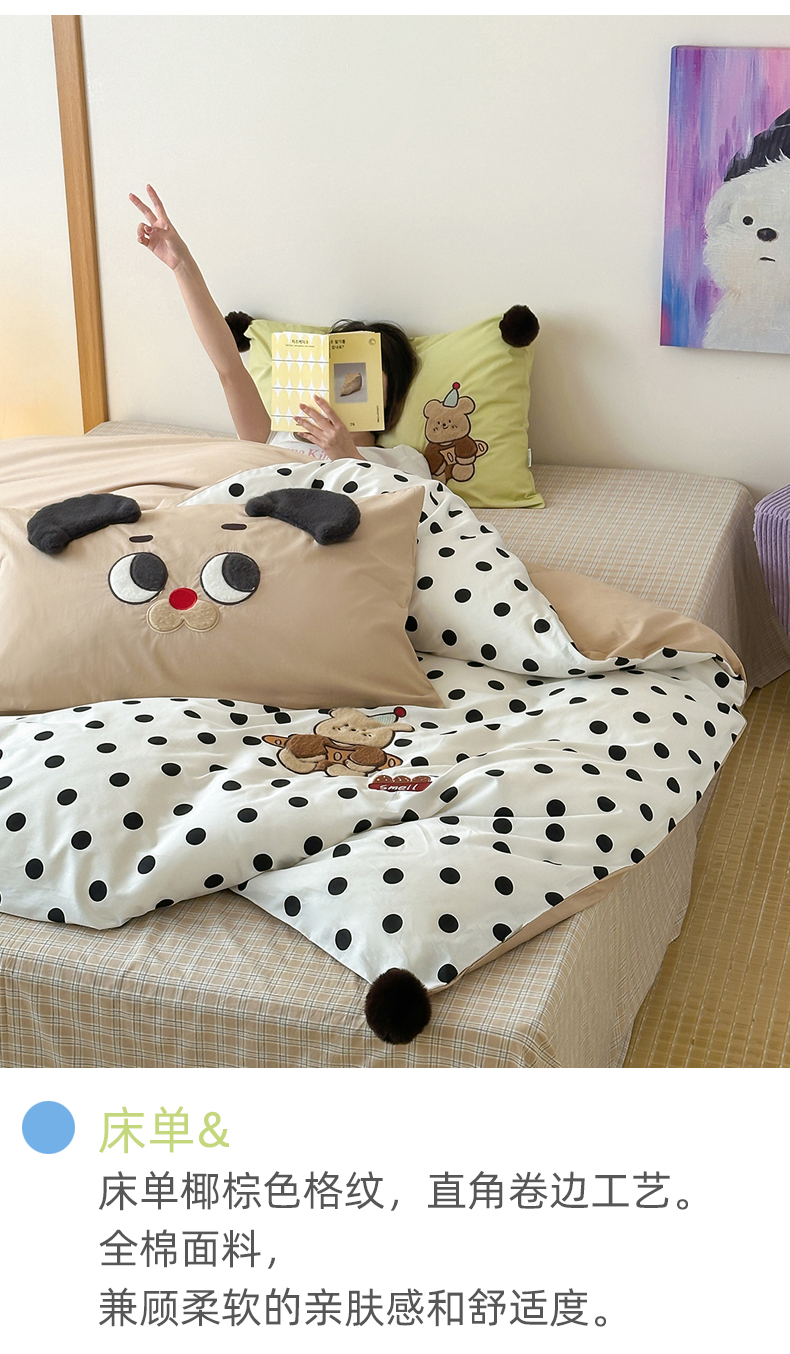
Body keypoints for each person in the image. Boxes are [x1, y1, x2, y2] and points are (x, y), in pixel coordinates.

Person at [130, 185, 431, 477]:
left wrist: (347, 456)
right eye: (331, 366)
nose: (342, 379)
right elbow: (229, 369)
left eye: (360, 369)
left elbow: (413, 506)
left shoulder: (402, 460)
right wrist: (181, 264)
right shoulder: (274, 436)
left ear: (389, 393)